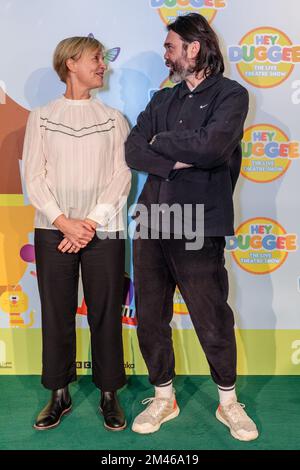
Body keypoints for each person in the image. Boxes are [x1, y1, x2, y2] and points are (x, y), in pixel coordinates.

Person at [125, 13, 258, 441]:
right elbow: (132, 151)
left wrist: (160, 145)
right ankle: (164, 397)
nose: (166, 54)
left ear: (193, 47)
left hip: (199, 223)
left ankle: (228, 403)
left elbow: (215, 145)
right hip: (150, 222)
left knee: (211, 316)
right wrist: (178, 154)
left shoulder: (231, 95)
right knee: (150, 317)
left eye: (170, 46)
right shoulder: (161, 99)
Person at [22, 35, 131, 431]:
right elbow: (33, 177)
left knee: (106, 312)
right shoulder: (42, 116)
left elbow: (122, 177)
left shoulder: (115, 118)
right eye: (96, 58)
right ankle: (58, 393)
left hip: (104, 229)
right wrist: (63, 221)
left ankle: (109, 393)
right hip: (54, 229)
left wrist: (90, 222)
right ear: (71, 63)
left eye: (102, 58)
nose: (103, 65)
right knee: (56, 313)